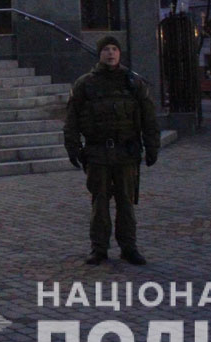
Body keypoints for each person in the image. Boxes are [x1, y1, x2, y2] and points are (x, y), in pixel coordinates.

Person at [63, 35, 160, 266]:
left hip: (126, 152)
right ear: (99, 54)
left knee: (126, 202)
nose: (110, 53)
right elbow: (72, 120)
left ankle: (129, 247)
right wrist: (73, 147)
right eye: (106, 49)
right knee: (100, 202)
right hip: (97, 153)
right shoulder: (85, 84)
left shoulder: (133, 83)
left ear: (120, 53)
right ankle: (99, 248)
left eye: (114, 49)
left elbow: (149, 118)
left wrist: (152, 146)